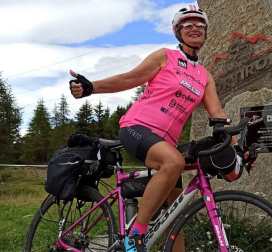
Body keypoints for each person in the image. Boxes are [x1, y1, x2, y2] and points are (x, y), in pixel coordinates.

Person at [69, 5, 245, 252]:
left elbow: (218, 114)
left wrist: (235, 147)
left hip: (164, 143)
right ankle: (136, 235)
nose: (195, 28)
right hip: (136, 127)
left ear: (206, 34)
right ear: (178, 31)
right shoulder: (165, 57)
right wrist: (91, 87)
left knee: (175, 217)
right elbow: (130, 78)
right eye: (188, 25)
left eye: (200, 26)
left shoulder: (204, 76)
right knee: (173, 162)